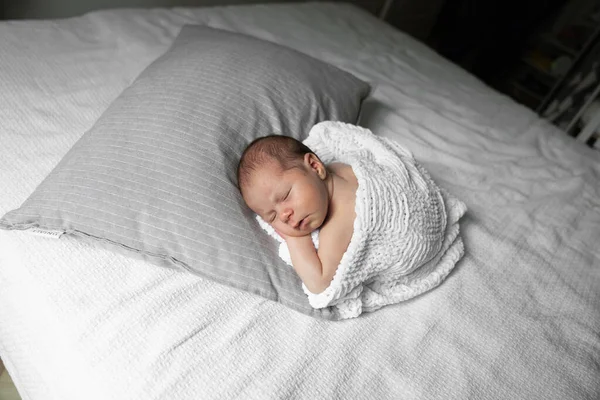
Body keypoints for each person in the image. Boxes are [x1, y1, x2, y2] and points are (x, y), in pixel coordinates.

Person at [237, 135, 357, 294]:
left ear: (315, 166)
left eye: (285, 196)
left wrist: (295, 238)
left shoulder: (340, 218)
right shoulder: (340, 169)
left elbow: (320, 283)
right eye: (272, 216)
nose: (284, 216)